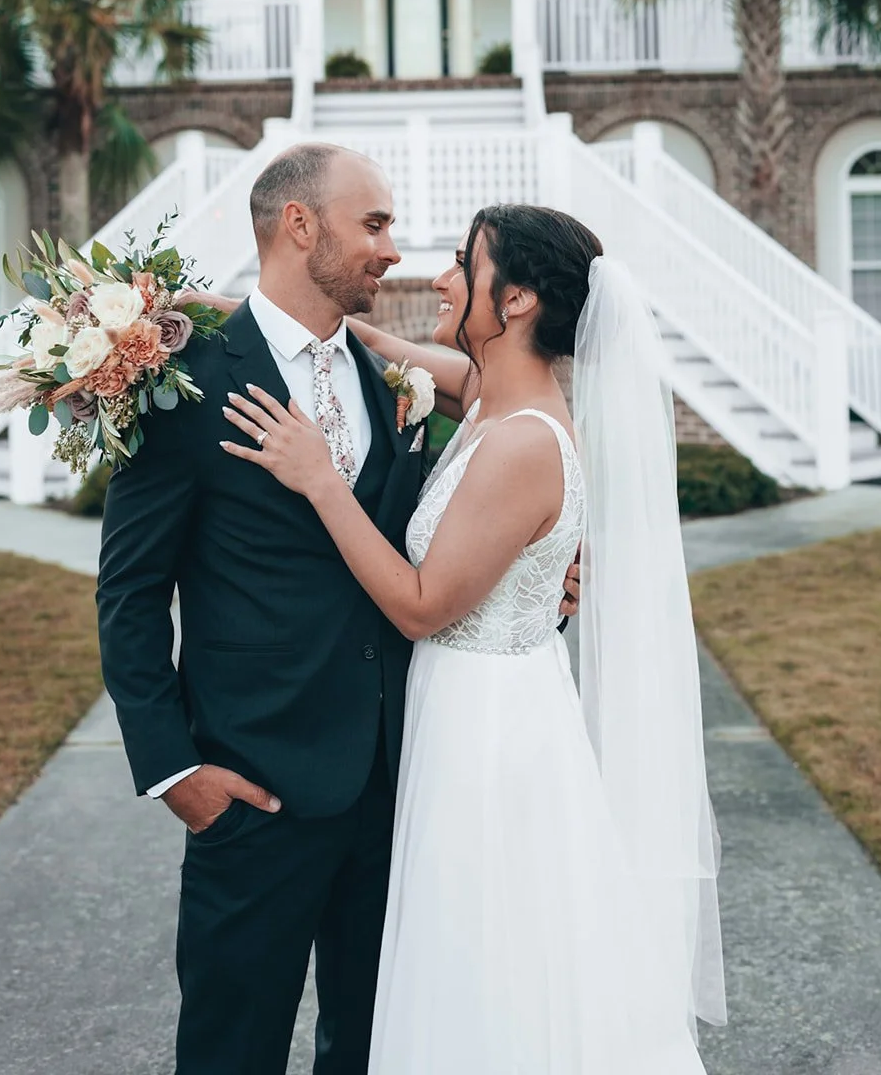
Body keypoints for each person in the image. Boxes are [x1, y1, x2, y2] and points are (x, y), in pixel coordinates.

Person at [96, 145, 583, 1075]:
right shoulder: (188, 384)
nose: (394, 250)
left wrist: (541, 573)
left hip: (402, 788)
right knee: (230, 1052)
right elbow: (127, 595)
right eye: (376, 225)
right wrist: (176, 774)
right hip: (255, 795)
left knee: (375, 1048)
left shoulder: (388, 380)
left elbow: (437, 553)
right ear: (300, 225)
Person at [222, 202, 726, 1074]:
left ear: (519, 298)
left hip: (488, 736)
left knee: (489, 959)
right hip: (476, 706)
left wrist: (318, 479)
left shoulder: (522, 443)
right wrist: (268, 322)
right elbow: (425, 365)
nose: (443, 276)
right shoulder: (497, 396)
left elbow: (421, 606)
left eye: (466, 263)